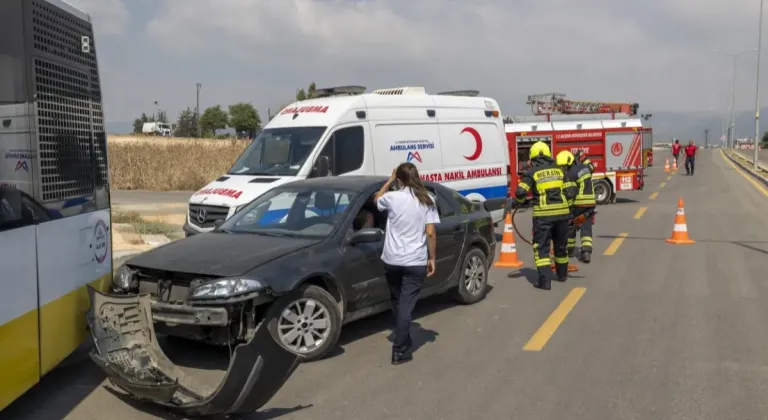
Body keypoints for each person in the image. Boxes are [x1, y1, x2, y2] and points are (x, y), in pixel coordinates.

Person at [374, 162, 439, 365]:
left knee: (398, 301)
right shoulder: (428, 199)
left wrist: (390, 180)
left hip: (392, 260)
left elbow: (376, 199)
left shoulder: (392, 198)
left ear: (400, 179)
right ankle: (400, 349)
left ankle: (402, 338)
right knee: (406, 306)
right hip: (414, 261)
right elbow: (430, 232)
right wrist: (432, 258)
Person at [512, 141, 574, 290]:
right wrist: (566, 208)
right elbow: (571, 193)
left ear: (533, 158)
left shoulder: (532, 173)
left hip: (543, 217)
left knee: (542, 249)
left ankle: (545, 282)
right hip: (562, 215)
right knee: (560, 246)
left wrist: (520, 202)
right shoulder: (560, 171)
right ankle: (562, 275)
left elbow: (520, 192)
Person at [557, 150, 596, 263]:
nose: (563, 168)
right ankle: (586, 252)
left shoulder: (570, 174)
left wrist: (567, 208)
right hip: (590, 204)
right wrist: (583, 157)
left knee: (571, 226)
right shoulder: (586, 168)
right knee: (586, 227)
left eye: (563, 166)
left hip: (577, 204)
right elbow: (591, 165)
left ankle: (569, 250)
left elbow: (571, 193)